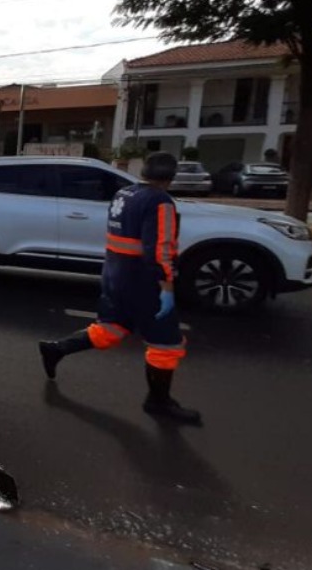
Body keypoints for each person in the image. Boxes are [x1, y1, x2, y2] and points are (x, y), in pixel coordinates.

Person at [37, 151, 200, 425]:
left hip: (116, 275)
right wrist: (168, 287)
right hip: (145, 282)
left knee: (111, 329)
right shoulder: (161, 202)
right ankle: (158, 402)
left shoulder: (125, 194)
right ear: (171, 178)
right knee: (166, 344)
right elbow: (158, 250)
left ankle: (56, 349)